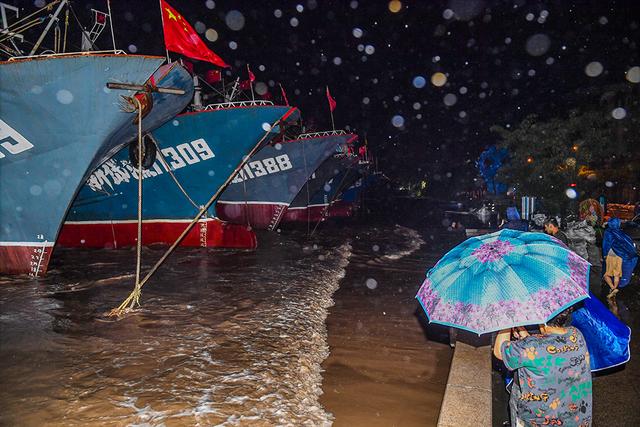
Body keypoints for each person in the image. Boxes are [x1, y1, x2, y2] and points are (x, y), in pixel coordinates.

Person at [493, 309, 592, 427]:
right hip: (575, 419)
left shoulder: (531, 345)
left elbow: (499, 351)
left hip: (540, 421)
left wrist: (507, 319)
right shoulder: (576, 334)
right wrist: (525, 336)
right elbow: (547, 351)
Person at [602, 217, 639, 297]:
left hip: (612, 255)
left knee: (606, 275)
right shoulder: (620, 232)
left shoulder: (608, 232)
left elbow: (606, 245)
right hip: (621, 257)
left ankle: (613, 288)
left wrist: (605, 255)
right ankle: (615, 288)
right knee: (617, 274)